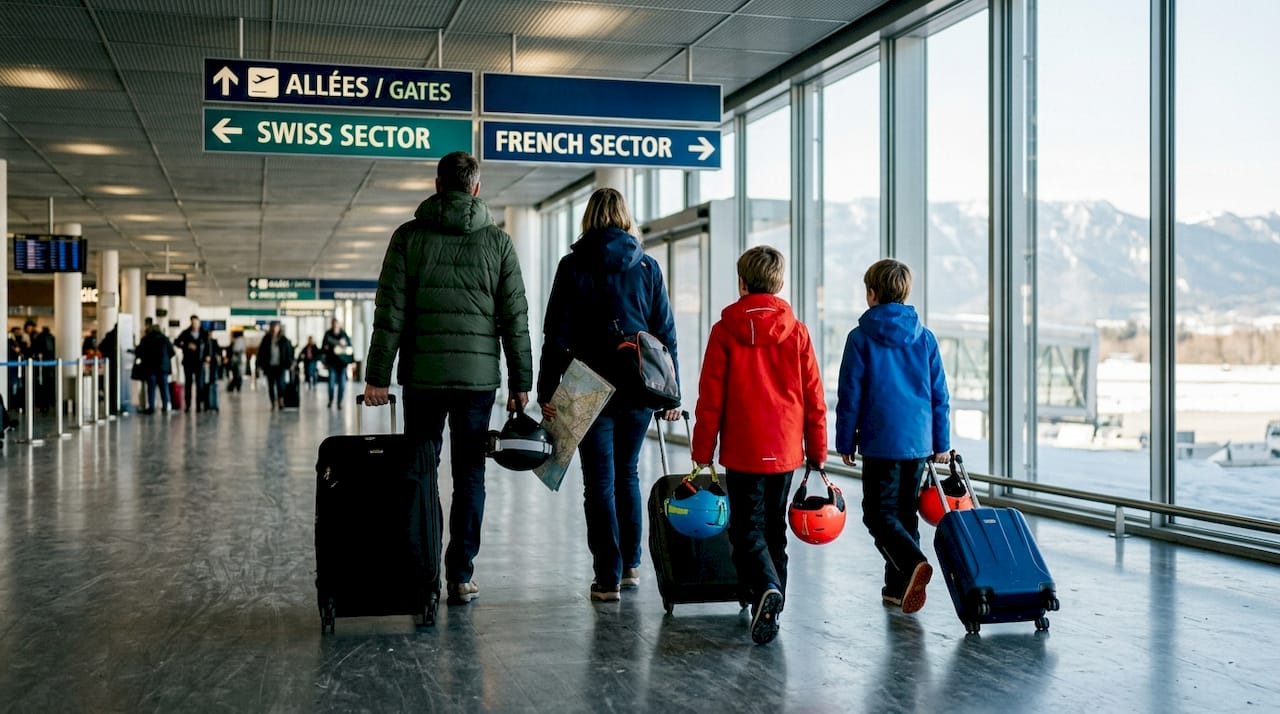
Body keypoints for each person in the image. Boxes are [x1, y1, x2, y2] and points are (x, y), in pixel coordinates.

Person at [363, 150, 533, 607]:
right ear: (476, 188)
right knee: (470, 475)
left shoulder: (408, 237)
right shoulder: (499, 243)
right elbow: (515, 318)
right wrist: (521, 383)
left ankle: (424, 575)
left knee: (420, 472)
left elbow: (390, 312)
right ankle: (460, 575)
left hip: (423, 378)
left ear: (437, 186)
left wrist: (378, 377)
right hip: (477, 382)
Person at [538, 187, 680, 603]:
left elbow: (556, 335)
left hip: (588, 386)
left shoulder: (571, 266)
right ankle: (632, 565)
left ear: (588, 218)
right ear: (625, 217)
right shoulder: (647, 266)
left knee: (599, 483)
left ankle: (607, 577)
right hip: (638, 387)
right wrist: (671, 396)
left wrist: (547, 391)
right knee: (627, 475)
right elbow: (664, 334)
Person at [689, 246, 826, 644]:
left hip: (743, 448)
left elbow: (710, 399)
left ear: (742, 283)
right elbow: (815, 398)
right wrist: (818, 452)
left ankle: (764, 589)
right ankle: (768, 605)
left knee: (746, 529)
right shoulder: (797, 332)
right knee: (773, 530)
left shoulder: (724, 330)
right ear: (779, 283)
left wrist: (702, 453)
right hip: (785, 448)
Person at [835, 258, 951, 616]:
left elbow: (850, 395)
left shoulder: (859, 338)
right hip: (917, 442)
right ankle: (897, 589)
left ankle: (913, 562)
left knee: (877, 515)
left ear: (871, 294)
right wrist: (942, 443)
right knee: (904, 515)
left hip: (880, 441)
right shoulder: (925, 337)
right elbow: (939, 395)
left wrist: (845, 441)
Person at [174, 316, 211, 412]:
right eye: (193, 323)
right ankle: (188, 404)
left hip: (199, 362)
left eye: (196, 323)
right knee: (188, 384)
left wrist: (207, 356)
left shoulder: (204, 333)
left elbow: (208, 346)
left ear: (199, 323)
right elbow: (176, 342)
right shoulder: (186, 333)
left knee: (200, 384)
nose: (195, 325)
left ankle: (199, 404)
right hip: (188, 362)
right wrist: (186, 345)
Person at [136, 321, 175, 414]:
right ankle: (165, 406)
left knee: (151, 388)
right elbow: (172, 352)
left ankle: (151, 407)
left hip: (150, 368)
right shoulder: (164, 339)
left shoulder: (146, 339)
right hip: (163, 368)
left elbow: (139, 352)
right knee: (164, 387)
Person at [257, 322, 293, 410]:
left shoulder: (284, 340)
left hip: (280, 366)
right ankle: (273, 402)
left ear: (279, 328)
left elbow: (288, 352)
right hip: (269, 366)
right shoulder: (266, 339)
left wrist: (290, 363)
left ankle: (281, 401)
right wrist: (259, 365)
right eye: (272, 327)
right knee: (271, 385)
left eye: (276, 327)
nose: (274, 329)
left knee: (280, 384)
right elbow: (261, 353)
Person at [321, 319, 354, 409]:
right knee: (331, 384)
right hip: (331, 363)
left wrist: (352, 361)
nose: (335, 326)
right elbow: (324, 348)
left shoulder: (343, 334)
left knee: (342, 384)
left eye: (337, 324)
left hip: (342, 364)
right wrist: (324, 362)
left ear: (339, 325)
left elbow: (349, 347)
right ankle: (331, 400)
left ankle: (339, 402)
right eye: (334, 325)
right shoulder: (328, 334)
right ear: (332, 325)